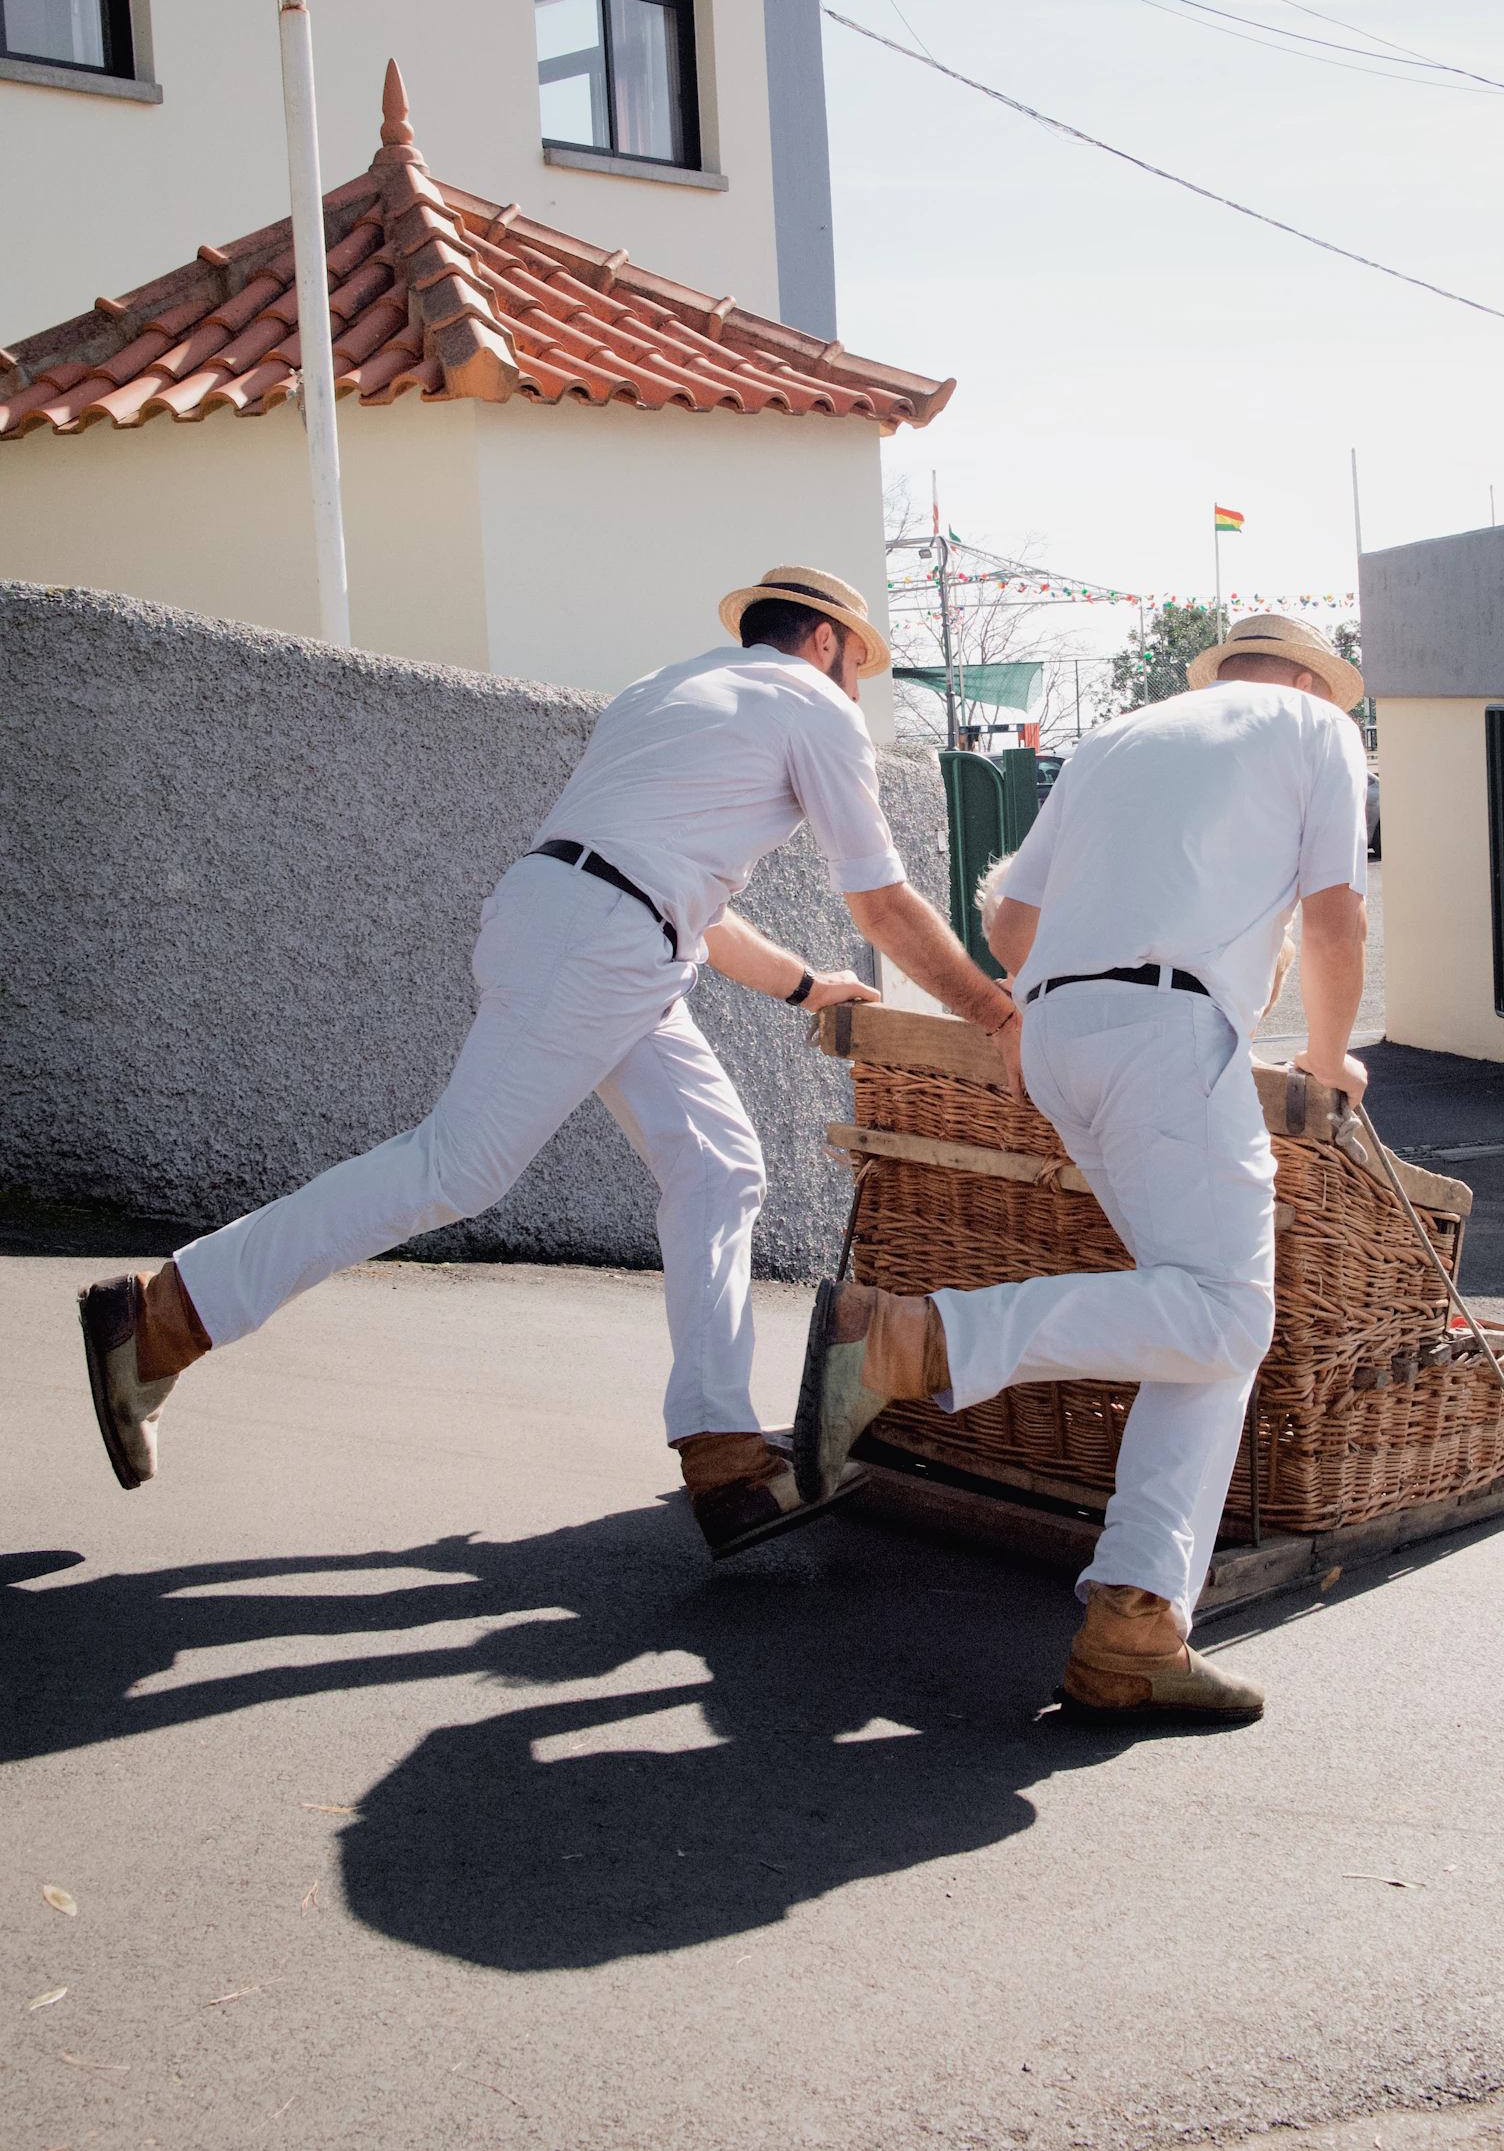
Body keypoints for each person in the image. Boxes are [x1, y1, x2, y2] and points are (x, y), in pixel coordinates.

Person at [79, 566, 1022, 1558]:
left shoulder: (666, 693)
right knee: (457, 1165)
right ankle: (163, 1318)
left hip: (581, 922)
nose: (855, 687)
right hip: (608, 943)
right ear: (827, 642)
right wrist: (996, 1013)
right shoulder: (815, 710)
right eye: (858, 665)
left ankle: (725, 1460)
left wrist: (800, 986)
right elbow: (879, 900)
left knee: (718, 1165)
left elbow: (672, 889)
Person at [793, 608, 1370, 1720]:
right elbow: (1337, 914)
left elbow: (1012, 926)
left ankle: (1136, 1621)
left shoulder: (1122, 736)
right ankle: (923, 1337)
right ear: (1310, 680)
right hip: (1166, 1036)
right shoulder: (1314, 728)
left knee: (1198, 1321)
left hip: (1059, 1036)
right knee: (1226, 1315)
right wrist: (1334, 1061)